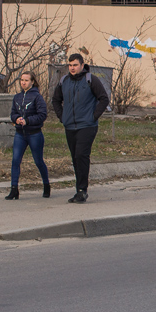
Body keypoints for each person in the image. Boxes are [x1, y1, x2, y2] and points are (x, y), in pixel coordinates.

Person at [51, 53, 109, 203]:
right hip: (70, 125)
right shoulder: (64, 81)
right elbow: (56, 100)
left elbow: (104, 98)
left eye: (75, 65)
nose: (72, 68)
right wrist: (62, 117)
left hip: (87, 125)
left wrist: (93, 116)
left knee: (81, 155)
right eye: (70, 65)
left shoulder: (91, 80)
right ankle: (79, 190)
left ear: (82, 65)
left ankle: (82, 190)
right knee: (75, 158)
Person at [7, 71, 50, 200]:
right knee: (15, 160)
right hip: (20, 133)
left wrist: (28, 120)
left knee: (38, 161)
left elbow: (42, 115)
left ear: (32, 82)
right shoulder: (17, 97)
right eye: (21, 80)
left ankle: (46, 185)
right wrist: (17, 119)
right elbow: (13, 113)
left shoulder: (37, 97)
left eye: (26, 80)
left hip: (34, 134)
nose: (23, 82)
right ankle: (14, 189)